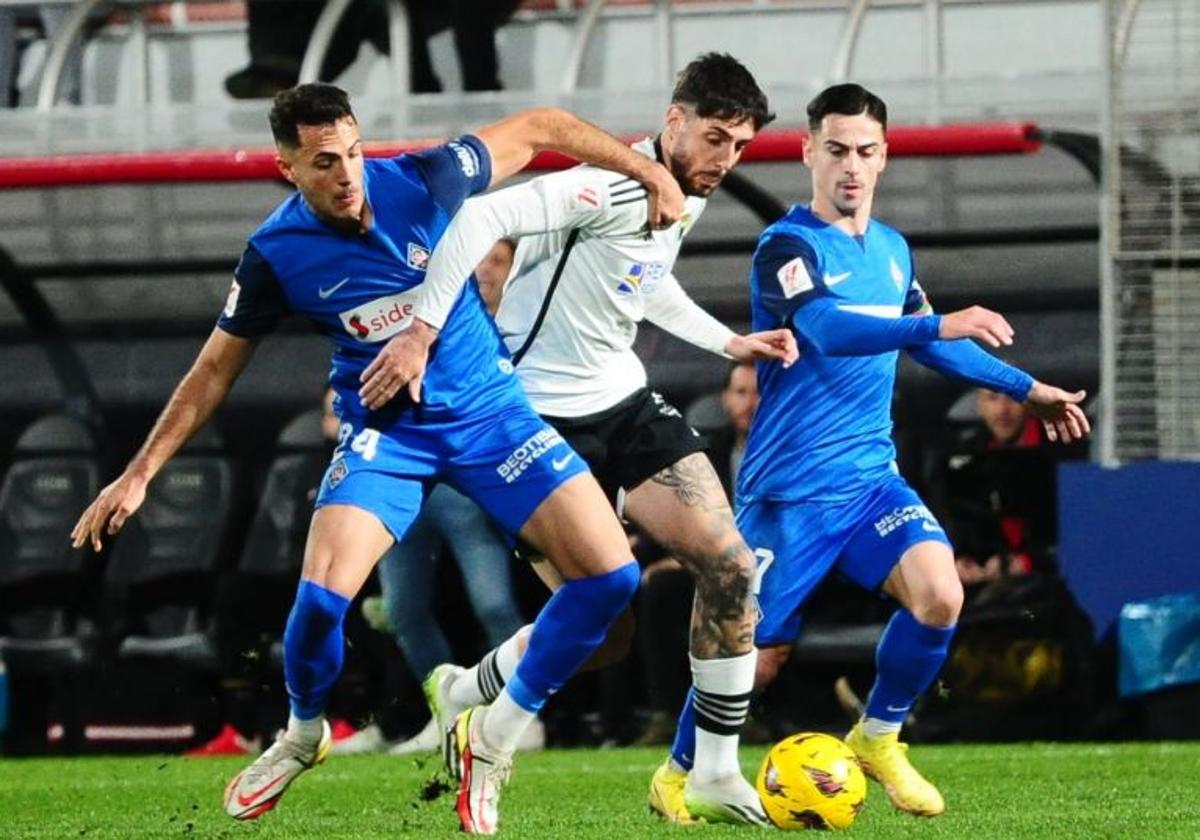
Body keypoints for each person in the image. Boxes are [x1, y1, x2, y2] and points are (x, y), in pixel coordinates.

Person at [71, 82, 685, 835]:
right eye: (325, 161)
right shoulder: (275, 253)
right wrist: (139, 474)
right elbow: (212, 373)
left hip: (493, 419)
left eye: (354, 152)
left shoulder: (425, 177)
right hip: (387, 438)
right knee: (319, 607)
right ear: (287, 166)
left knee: (612, 580)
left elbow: (543, 124)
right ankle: (302, 733)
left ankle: (489, 739)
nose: (347, 173)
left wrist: (648, 170)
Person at [658, 82, 1091, 820]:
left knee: (940, 594)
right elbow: (828, 330)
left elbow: (940, 349)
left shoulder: (891, 250)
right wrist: (936, 326)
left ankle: (878, 734)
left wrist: (1027, 388)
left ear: (884, 158)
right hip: (789, 492)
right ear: (807, 153)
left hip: (869, 484)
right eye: (835, 151)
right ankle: (676, 774)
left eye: (864, 152)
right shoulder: (785, 247)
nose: (850, 167)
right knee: (755, 658)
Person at [390, 52, 794, 825]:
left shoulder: (684, 191)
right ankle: (470, 695)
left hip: (625, 404)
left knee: (733, 569)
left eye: (739, 146)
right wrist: (420, 330)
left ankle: (713, 772)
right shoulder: (609, 182)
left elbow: (644, 279)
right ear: (673, 120)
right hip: (536, 423)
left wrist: (726, 343)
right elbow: (479, 216)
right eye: (715, 138)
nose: (725, 159)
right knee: (603, 632)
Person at [635, 360, 760, 747]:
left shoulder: (793, 453)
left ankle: (745, 715)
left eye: (760, 393)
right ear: (725, 398)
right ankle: (663, 714)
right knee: (656, 589)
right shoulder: (703, 452)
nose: (750, 403)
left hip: (773, 563)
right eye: (741, 392)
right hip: (706, 562)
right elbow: (680, 510)